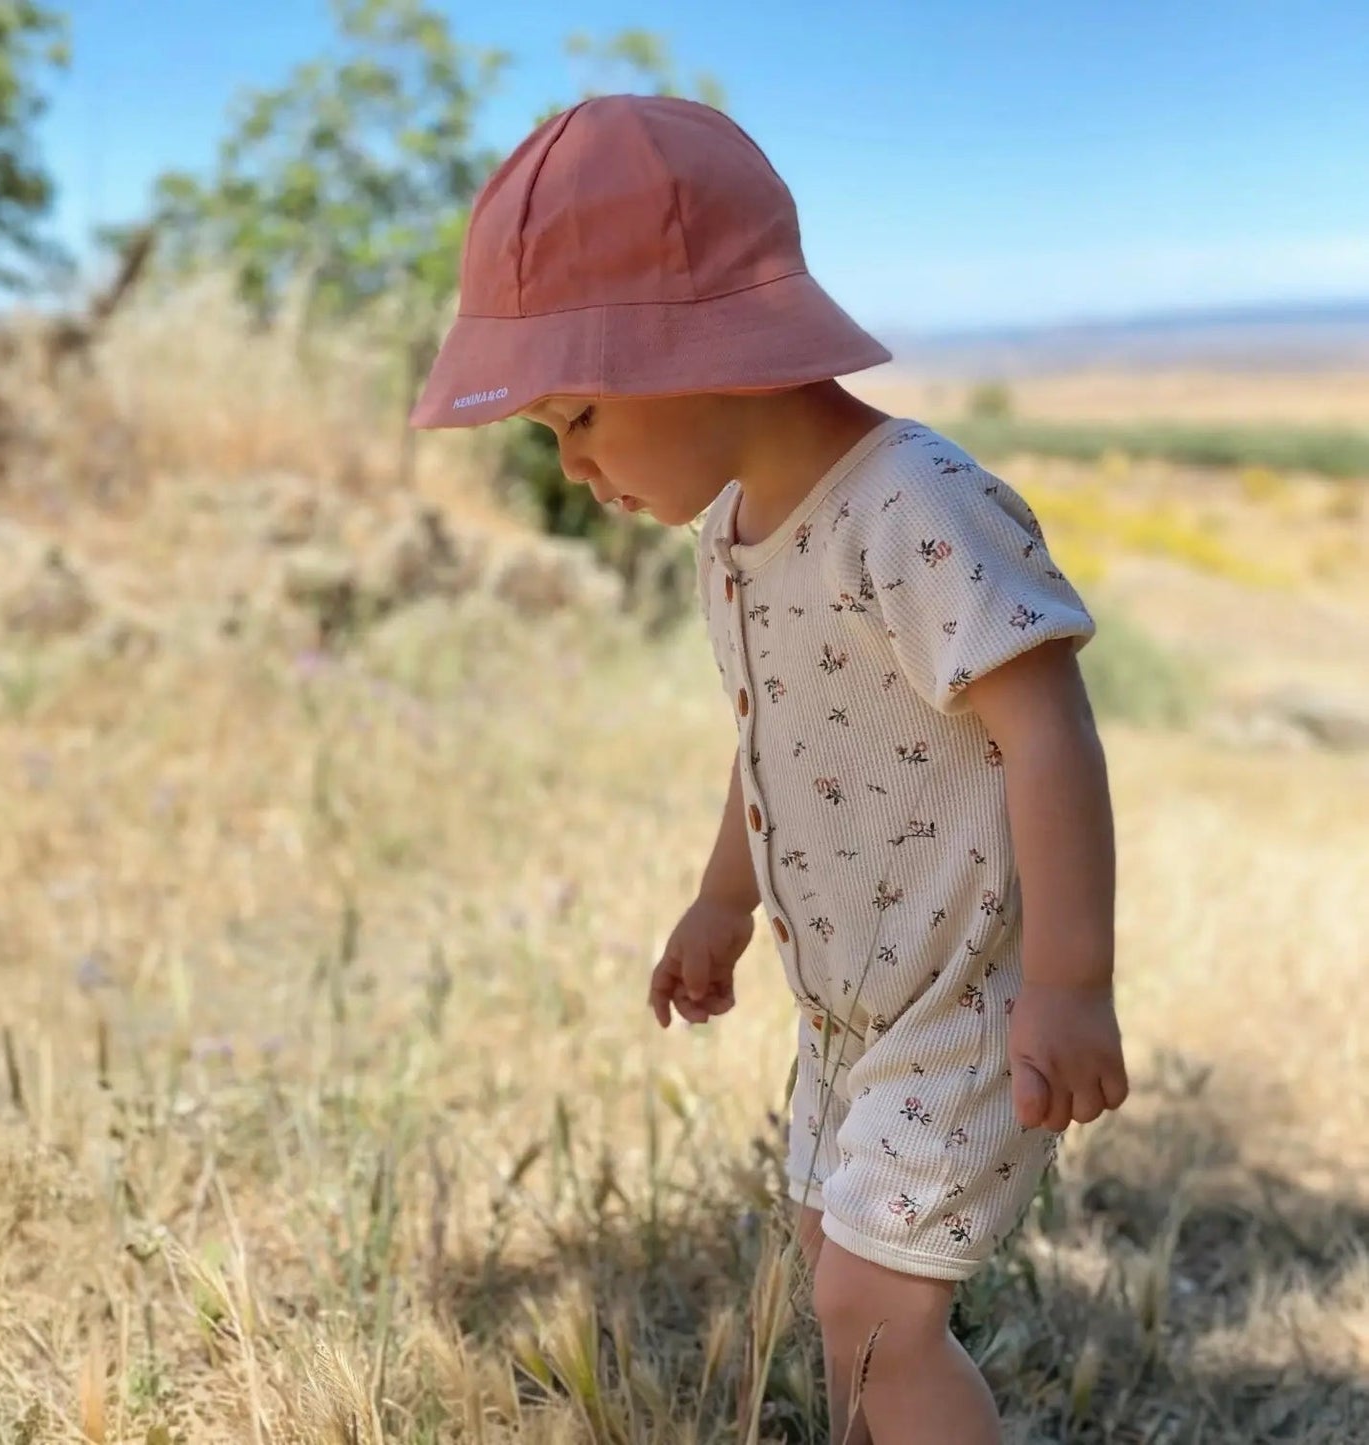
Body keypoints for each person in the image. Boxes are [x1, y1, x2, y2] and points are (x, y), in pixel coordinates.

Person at [411, 92, 1130, 1445]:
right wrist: (721, 903)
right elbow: (775, 743)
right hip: (843, 1002)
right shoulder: (732, 532)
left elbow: (1048, 726)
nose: (572, 467)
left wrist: (1071, 981)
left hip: (960, 992)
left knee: (876, 1309)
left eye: (577, 417)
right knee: (831, 1264)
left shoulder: (913, 504)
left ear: (708, 355)